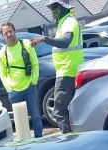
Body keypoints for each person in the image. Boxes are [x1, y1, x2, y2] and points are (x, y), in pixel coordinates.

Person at [36, 0, 83, 133]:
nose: (52, 11)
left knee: (59, 111)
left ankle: (68, 140)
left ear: (62, 7)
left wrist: (46, 39)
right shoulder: (64, 22)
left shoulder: (69, 22)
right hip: (68, 70)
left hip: (67, 71)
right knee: (69, 109)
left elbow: (65, 42)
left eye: (53, 7)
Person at [0, 22, 44, 139]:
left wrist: (33, 81)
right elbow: (2, 74)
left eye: (10, 31)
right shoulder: (2, 53)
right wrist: (9, 88)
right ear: (3, 36)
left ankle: (39, 139)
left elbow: (35, 64)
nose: (9, 34)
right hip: (14, 91)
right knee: (20, 120)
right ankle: (25, 141)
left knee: (36, 116)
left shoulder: (26, 45)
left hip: (29, 87)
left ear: (14, 31)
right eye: (5, 33)